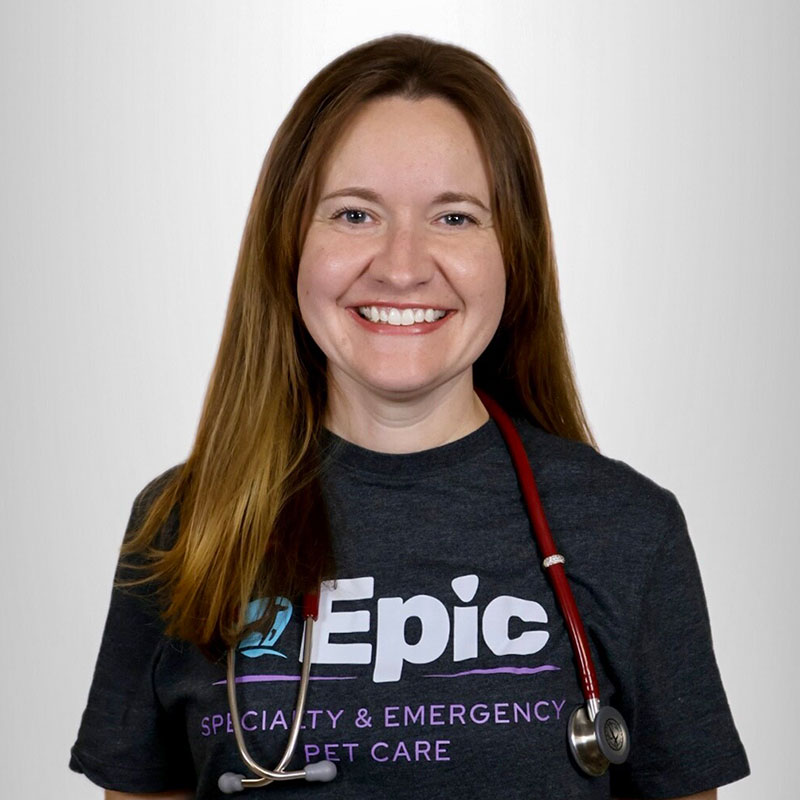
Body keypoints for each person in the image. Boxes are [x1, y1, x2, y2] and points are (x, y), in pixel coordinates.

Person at [70, 33, 749, 799]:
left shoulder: (629, 531)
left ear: (513, 253)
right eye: (355, 214)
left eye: (455, 219)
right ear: (288, 242)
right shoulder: (181, 528)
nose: (400, 265)